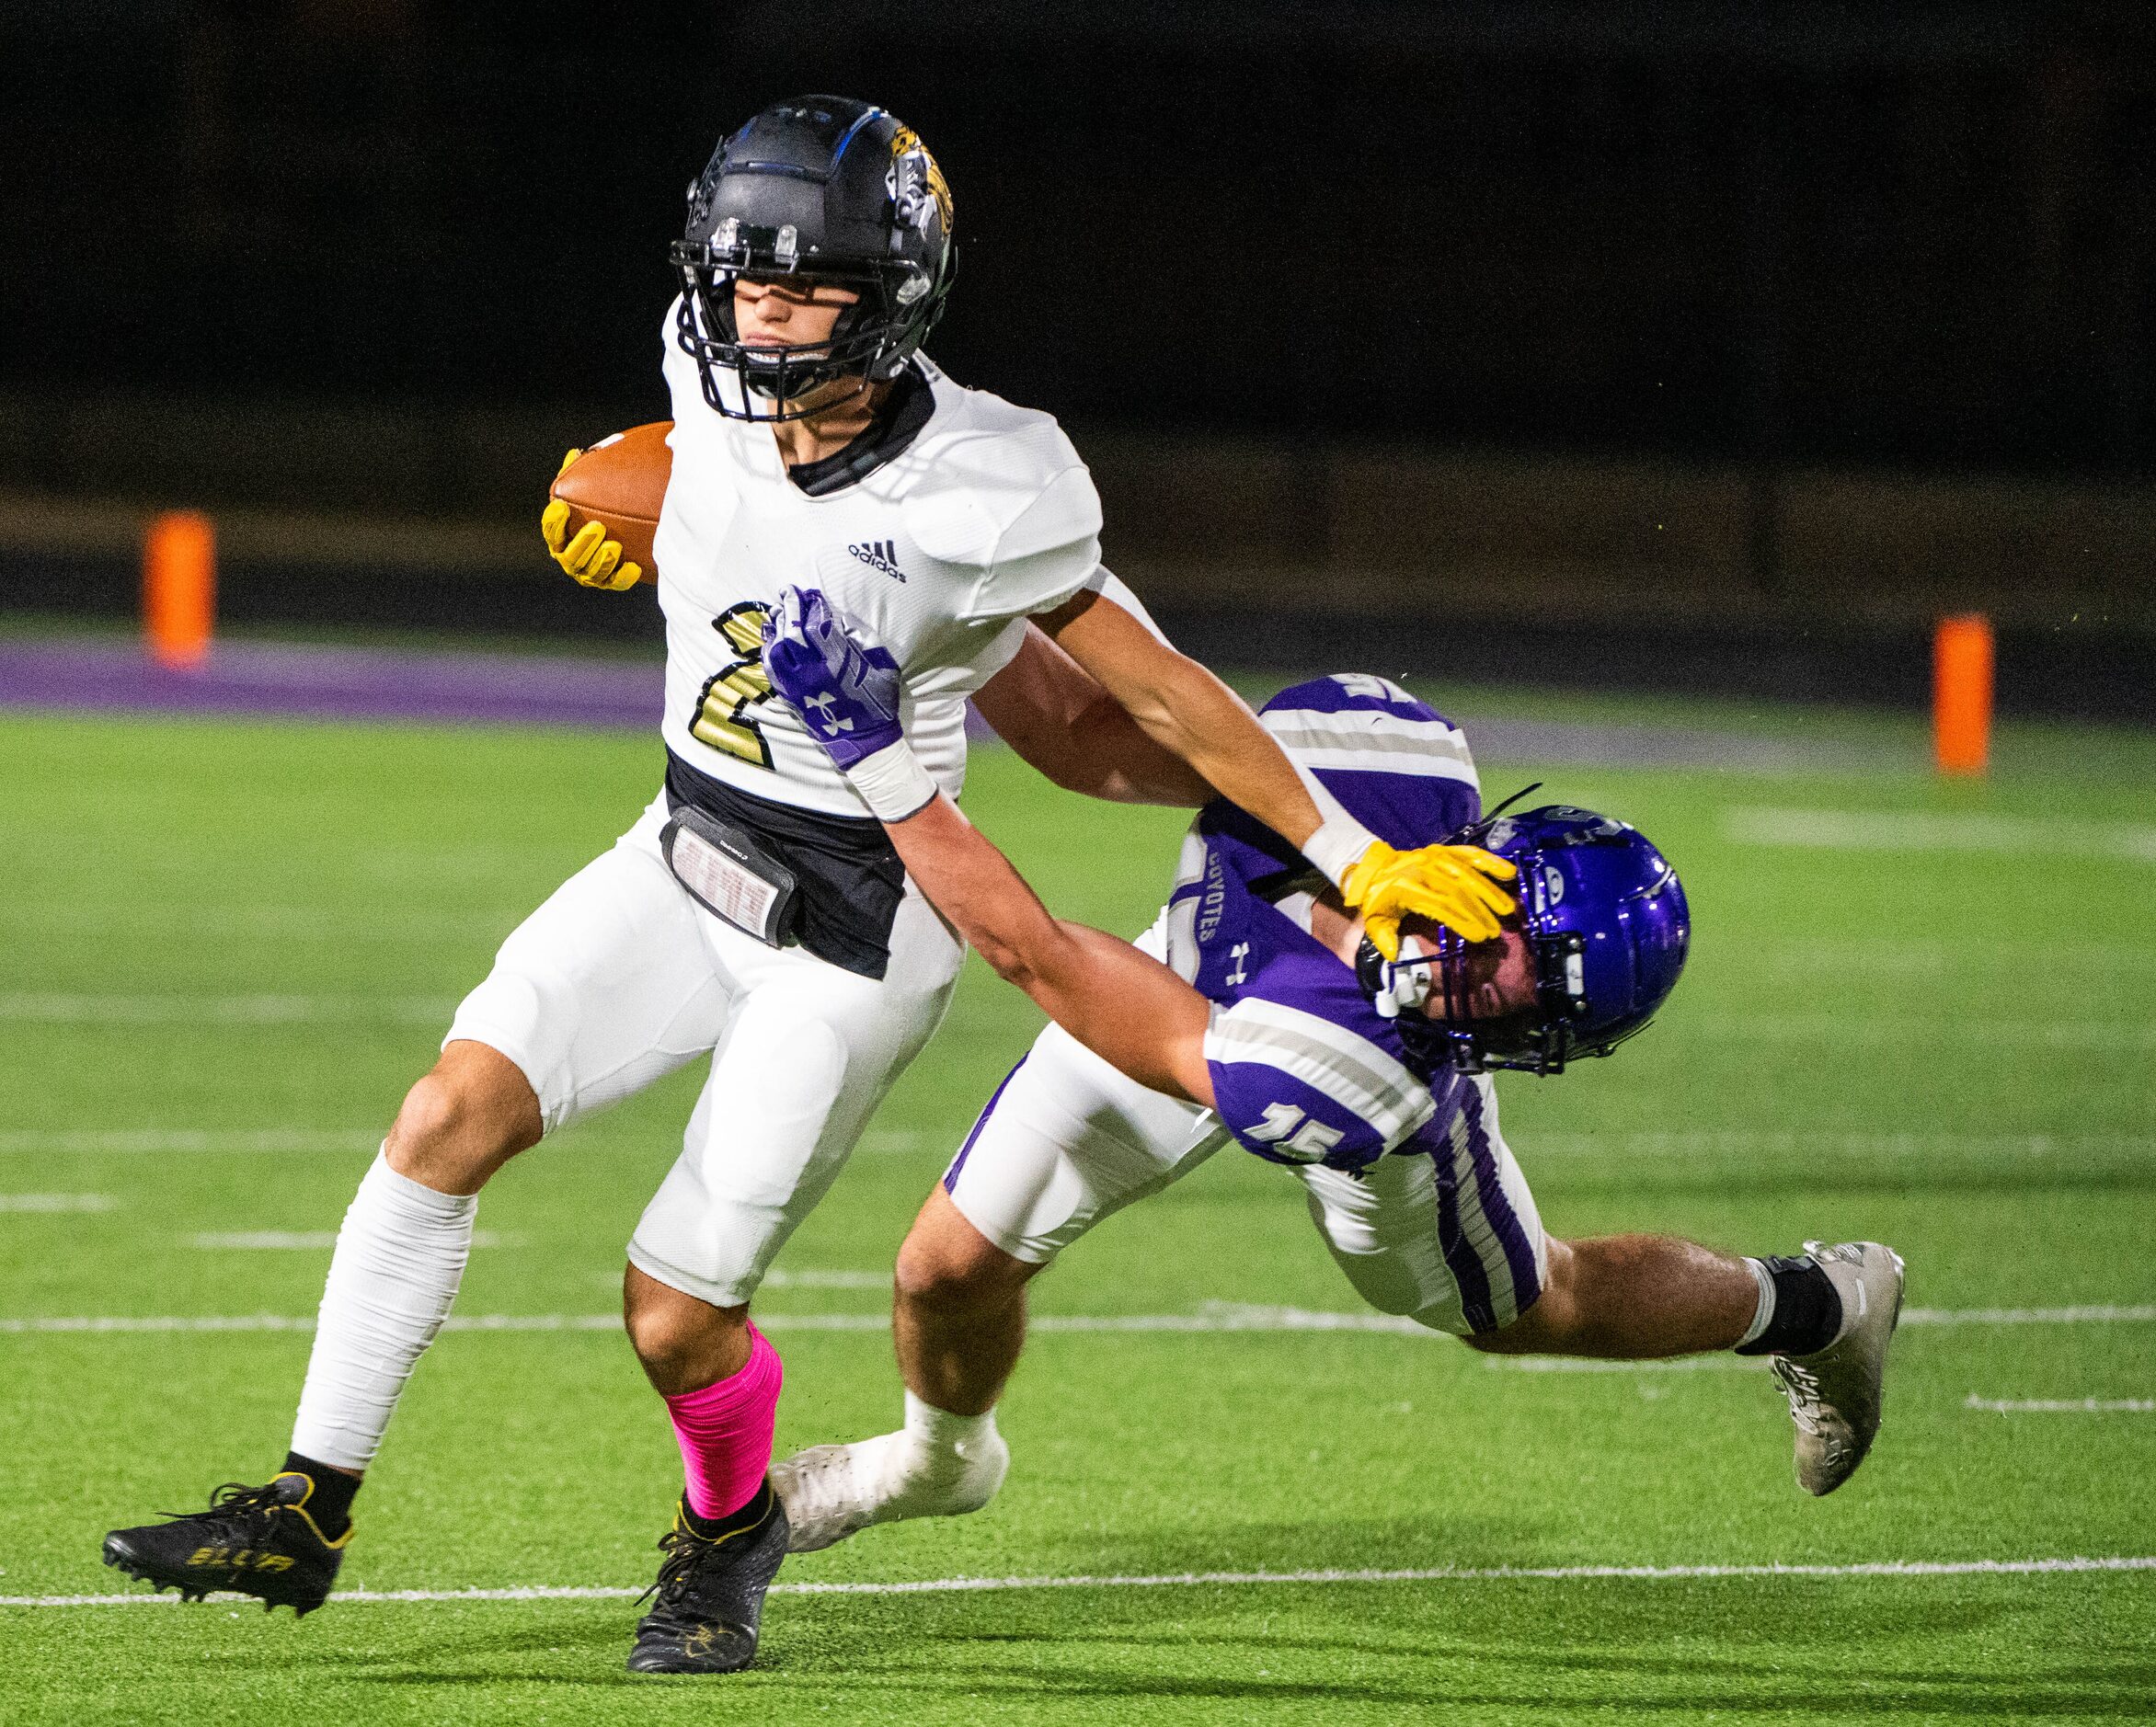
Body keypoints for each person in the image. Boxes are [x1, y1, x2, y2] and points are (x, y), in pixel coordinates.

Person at [98, 97, 1520, 1676]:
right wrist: (616, 499)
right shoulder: (697, 367)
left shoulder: (994, 482)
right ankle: (308, 1505)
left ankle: (726, 1531)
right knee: (443, 1116)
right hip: (680, 840)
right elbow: (705, 481)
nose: (753, 314)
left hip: (852, 916)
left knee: (672, 1309)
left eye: (799, 290)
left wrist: (1351, 852)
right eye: (736, 280)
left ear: (894, 297)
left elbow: (1163, 695)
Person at [752, 588, 1908, 1555]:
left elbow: (1034, 952)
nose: (1486, 997)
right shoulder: (1374, 753)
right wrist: (947, 599)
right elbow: (1088, 737)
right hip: (1201, 992)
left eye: (1529, 1011)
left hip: (1237, 1053)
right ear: (1491, 862)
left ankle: (1817, 1304)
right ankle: (931, 1466)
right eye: (1516, 954)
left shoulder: (1363, 1074)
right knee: (941, 1272)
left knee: (1532, 1305)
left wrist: (873, 755)